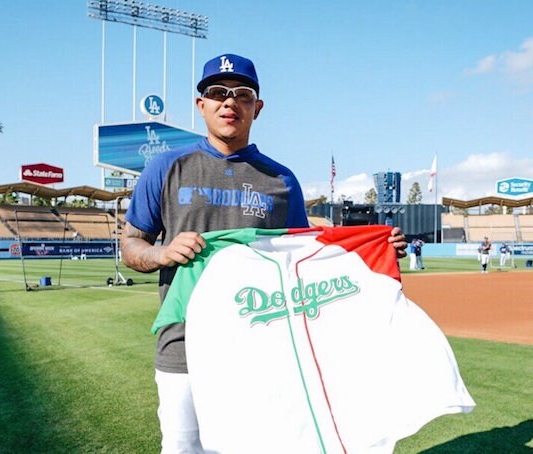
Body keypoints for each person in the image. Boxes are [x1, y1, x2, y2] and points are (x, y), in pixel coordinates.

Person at [120, 53, 407, 453]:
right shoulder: (167, 168)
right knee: (184, 449)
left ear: (258, 107)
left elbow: (303, 259)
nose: (229, 102)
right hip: (185, 344)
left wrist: (373, 252)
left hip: (262, 346)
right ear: (200, 104)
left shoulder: (280, 180)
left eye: (242, 94)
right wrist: (163, 253)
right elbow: (131, 245)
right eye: (217, 92)